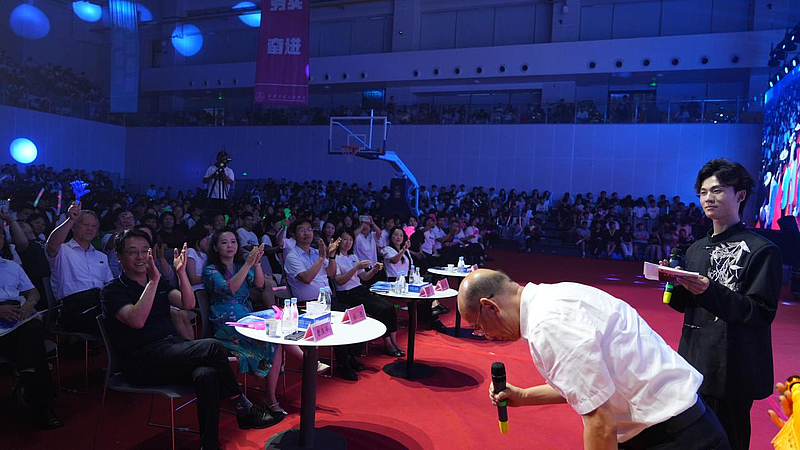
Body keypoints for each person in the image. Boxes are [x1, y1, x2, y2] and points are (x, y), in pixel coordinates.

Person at [458, 269, 730, 450]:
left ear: (490, 307)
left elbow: (601, 423)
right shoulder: (556, 295)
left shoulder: (547, 325)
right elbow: (593, 381)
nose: (486, 335)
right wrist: (524, 396)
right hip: (687, 428)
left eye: (478, 326)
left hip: (676, 438)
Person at [100, 229, 281, 450]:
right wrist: (153, 282)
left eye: (144, 251)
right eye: (132, 252)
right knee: (213, 347)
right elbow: (137, 320)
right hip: (141, 361)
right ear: (119, 256)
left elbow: (187, 303)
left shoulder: (157, 282)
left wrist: (181, 273)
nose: (140, 257)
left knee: (207, 374)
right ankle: (243, 407)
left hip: (170, 351)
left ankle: (210, 445)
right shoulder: (112, 291)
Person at [663, 159, 782, 450]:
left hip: (732, 368)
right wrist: (674, 282)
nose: (708, 198)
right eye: (703, 192)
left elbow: (759, 311)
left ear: (740, 195)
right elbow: (688, 306)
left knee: (728, 442)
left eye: (717, 190)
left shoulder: (762, 250)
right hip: (694, 362)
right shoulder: (696, 248)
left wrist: (708, 290)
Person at [201, 229, 286, 415]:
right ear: (215, 247)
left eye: (233, 242)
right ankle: (303, 359)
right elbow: (229, 289)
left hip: (247, 316)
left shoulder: (241, 265)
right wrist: (247, 265)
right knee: (269, 338)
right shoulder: (211, 270)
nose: (230, 246)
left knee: (276, 340)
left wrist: (257, 264)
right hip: (226, 322)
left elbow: (260, 284)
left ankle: (270, 396)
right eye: (224, 242)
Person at [284, 219, 365, 381]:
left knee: (353, 314)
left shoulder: (316, 252)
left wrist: (331, 256)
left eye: (309, 229)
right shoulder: (292, 256)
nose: (307, 233)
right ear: (293, 234)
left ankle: (349, 356)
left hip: (326, 299)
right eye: (302, 230)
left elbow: (331, 273)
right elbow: (306, 278)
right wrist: (322, 258)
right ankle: (344, 363)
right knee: (341, 319)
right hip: (308, 305)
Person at [0, 250, 61, 429]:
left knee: (33, 326)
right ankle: (40, 407)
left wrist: (29, 303)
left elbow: (33, 291)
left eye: (1, 237)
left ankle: (25, 383)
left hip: (17, 317)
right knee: (35, 348)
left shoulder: (11, 266)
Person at [45, 202, 113, 334]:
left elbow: (109, 284)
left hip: (99, 302)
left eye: (94, 226)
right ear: (73, 227)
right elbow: (51, 245)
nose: (90, 229)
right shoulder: (62, 250)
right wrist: (71, 219)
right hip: (73, 308)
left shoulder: (102, 256)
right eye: (85, 225)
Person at [332, 229, 402, 356]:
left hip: (359, 289)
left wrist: (374, 270)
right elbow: (339, 281)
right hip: (346, 294)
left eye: (351, 240)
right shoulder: (335, 259)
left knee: (390, 307)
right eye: (345, 239)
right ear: (339, 241)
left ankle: (394, 341)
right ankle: (387, 343)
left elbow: (364, 277)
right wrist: (355, 268)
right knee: (381, 309)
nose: (348, 242)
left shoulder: (353, 257)